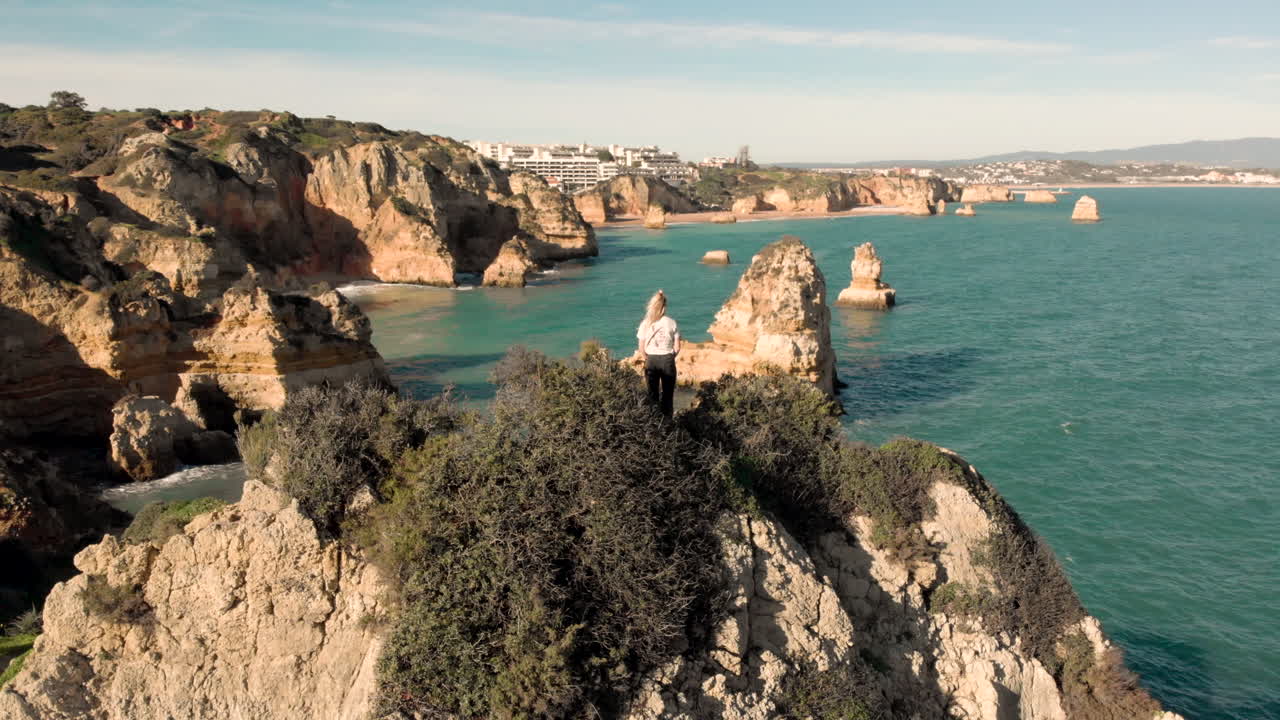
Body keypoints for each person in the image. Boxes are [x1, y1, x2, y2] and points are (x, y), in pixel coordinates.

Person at [637, 289, 680, 418]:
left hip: (651, 360)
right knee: (668, 396)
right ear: (664, 307)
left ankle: (655, 423)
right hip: (667, 360)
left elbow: (641, 348)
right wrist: (670, 357)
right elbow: (677, 347)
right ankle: (668, 423)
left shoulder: (645, 323)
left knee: (652, 395)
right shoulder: (671, 322)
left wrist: (648, 358)